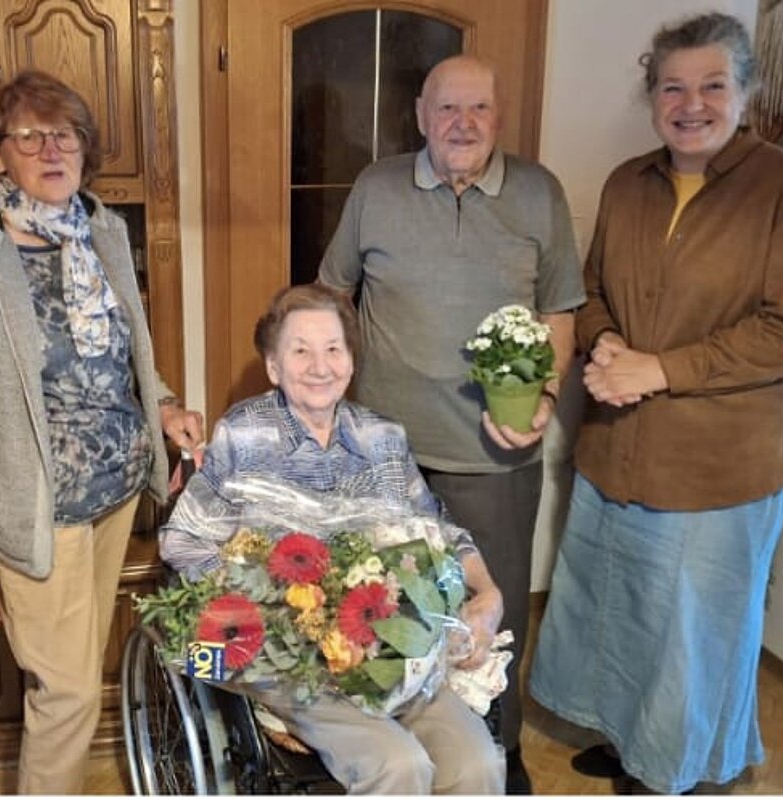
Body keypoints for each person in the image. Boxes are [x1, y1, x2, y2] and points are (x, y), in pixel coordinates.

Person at [529, 12, 783, 795]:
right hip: (617, 446)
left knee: (691, 634)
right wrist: (605, 344)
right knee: (617, 608)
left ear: (746, 93)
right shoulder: (626, 182)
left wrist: (660, 370)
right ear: (652, 96)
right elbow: (591, 289)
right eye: (673, 87)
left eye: (712, 86)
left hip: (719, 466)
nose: (690, 104)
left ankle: (673, 764)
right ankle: (628, 738)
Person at [0, 69, 204, 794]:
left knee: (73, 681)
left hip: (115, 497)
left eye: (65, 135)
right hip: (37, 513)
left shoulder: (99, 230)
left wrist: (164, 406)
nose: (52, 150)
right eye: (30, 136)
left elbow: (124, 354)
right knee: (67, 694)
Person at [317, 53, 585, 791]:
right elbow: (333, 291)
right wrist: (324, 389)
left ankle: (498, 752)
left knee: (491, 615)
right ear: (420, 116)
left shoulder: (539, 192)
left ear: (500, 116)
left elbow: (560, 311)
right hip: (384, 456)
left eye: (479, 109)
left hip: (493, 455)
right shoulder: (376, 187)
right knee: (381, 602)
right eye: (447, 108)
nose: (463, 124)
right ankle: (403, 745)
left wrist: (543, 400)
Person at [160, 283, 505, 795]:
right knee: (399, 765)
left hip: (391, 643)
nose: (320, 366)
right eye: (300, 351)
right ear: (274, 367)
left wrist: (489, 593)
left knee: (477, 763)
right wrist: (262, 601)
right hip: (293, 655)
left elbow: (439, 531)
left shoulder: (382, 437)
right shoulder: (245, 433)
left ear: (350, 360)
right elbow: (183, 540)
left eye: (333, 349)